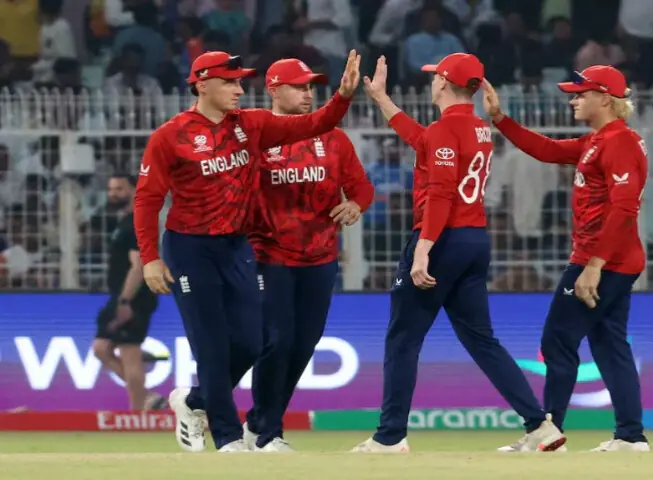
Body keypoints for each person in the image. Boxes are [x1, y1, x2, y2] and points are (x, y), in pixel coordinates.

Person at [134, 50, 361, 453]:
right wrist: (151, 257)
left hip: (236, 245)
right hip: (190, 247)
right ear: (202, 84)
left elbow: (316, 123)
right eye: (230, 82)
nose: (240, 89)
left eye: (241, 82)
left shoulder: (250, 125)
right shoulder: (170, 135)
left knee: (255, 341)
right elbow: (147, 200)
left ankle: (193, 402)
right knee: (212, 343)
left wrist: (342, 97)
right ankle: (227, 436)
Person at [350, 54, 565, 454]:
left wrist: (423, 251)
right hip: (473, 240)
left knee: (403, 338)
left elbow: (442, 191)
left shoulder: (445, 129)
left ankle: (390, 436)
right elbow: (423, 143)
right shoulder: (477, 128)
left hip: (442, 239)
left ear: (444, 84)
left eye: (434, 77)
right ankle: (540, 427)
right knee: (483, 341)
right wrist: (381, 99)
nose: (431, 82)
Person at [483, 65, 650, 452]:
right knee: (609, 345)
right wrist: (500, 120)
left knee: (557, 340)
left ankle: (548, 431)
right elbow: (547, 150)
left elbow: (624, 209)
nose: (573, 100)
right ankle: (630, 435)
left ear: (604, 98)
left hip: (602, 260)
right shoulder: (601, 140)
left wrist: (593, 266)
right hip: (612, 259)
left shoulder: (618, 142)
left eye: (580, 94)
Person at [241, 58, 375, 452]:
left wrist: (356, 206)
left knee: (304, 345)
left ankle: (257, 423)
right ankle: (269, 433)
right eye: (298, 86)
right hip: (270, 255)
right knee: (277, 341)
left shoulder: (333, 138)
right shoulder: (258, 135)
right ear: (274, 89)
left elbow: (362, 188)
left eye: (310, 86)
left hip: (320, 257)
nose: (307, 93)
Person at [92, 174, 165, 412]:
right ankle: (147, 398)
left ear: (134, 190)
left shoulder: (139, 221)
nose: (113, 193)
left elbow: (139, 266)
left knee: (129, 353)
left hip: (133, 297)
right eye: (111, 189)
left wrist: (125, 301)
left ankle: (137, 416)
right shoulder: (125, 221)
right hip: (120, 295)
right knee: (101, 348)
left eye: (120, 188)